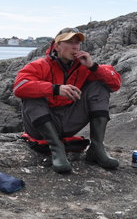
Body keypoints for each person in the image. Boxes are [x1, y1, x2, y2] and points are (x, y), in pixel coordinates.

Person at [13, 28, 122, 173]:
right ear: (57, 46)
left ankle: (97, 147)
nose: (75, 46)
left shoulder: (83, 67)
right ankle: (57, 148)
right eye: (69, 42)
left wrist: (93, 66)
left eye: (77, 42)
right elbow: (19, 87)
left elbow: (115, 84)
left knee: (99, 87)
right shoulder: (40, 65)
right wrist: (55, 89)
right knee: (31, 95)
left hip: (68, 122)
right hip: (41, 128)